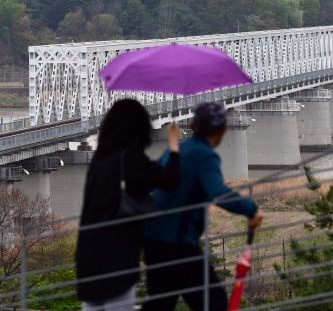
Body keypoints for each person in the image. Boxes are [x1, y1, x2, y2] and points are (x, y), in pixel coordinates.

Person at [142, 102, 264, 311]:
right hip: (178, 243)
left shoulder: (177, 149)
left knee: (160, 302)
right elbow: (216, 191)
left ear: (192, 126)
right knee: (213, 302)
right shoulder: (205, 155)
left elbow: (151, 184)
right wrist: (251, 209)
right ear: (224, 129)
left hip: (153, 239)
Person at [76, 99, 182, 311]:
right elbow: (170, 180)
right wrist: (173, 145)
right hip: (117, 254)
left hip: (87, 254)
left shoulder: (100, 159)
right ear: (139, 128)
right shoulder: (130, 157)